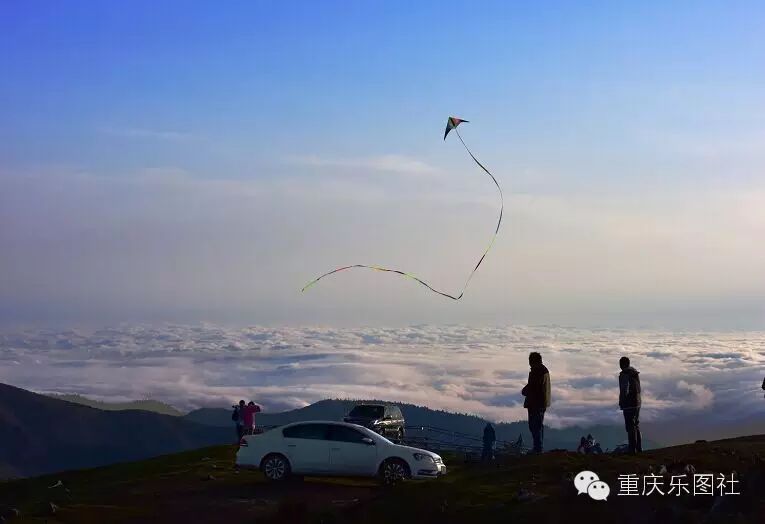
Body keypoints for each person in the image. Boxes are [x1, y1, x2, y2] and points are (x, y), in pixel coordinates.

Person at [521, 352, 551, 453]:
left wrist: (524, 391)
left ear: (532, 361)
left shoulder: (537, 371)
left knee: (534, 426)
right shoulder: (543, 370)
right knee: (538, 425)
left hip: (536, 403)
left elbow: (533, 387)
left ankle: (537, 448)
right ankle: (538, 447)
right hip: (542, 402)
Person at [619, 356, 642, 454]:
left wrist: (622, 401)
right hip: (637, 402)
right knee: (636, 425)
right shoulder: (634, 373)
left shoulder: (625, 374)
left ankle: (632, 450)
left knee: (630, 426)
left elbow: (624, 389)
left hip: (629, 404)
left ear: (622, 364)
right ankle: (639, 448)